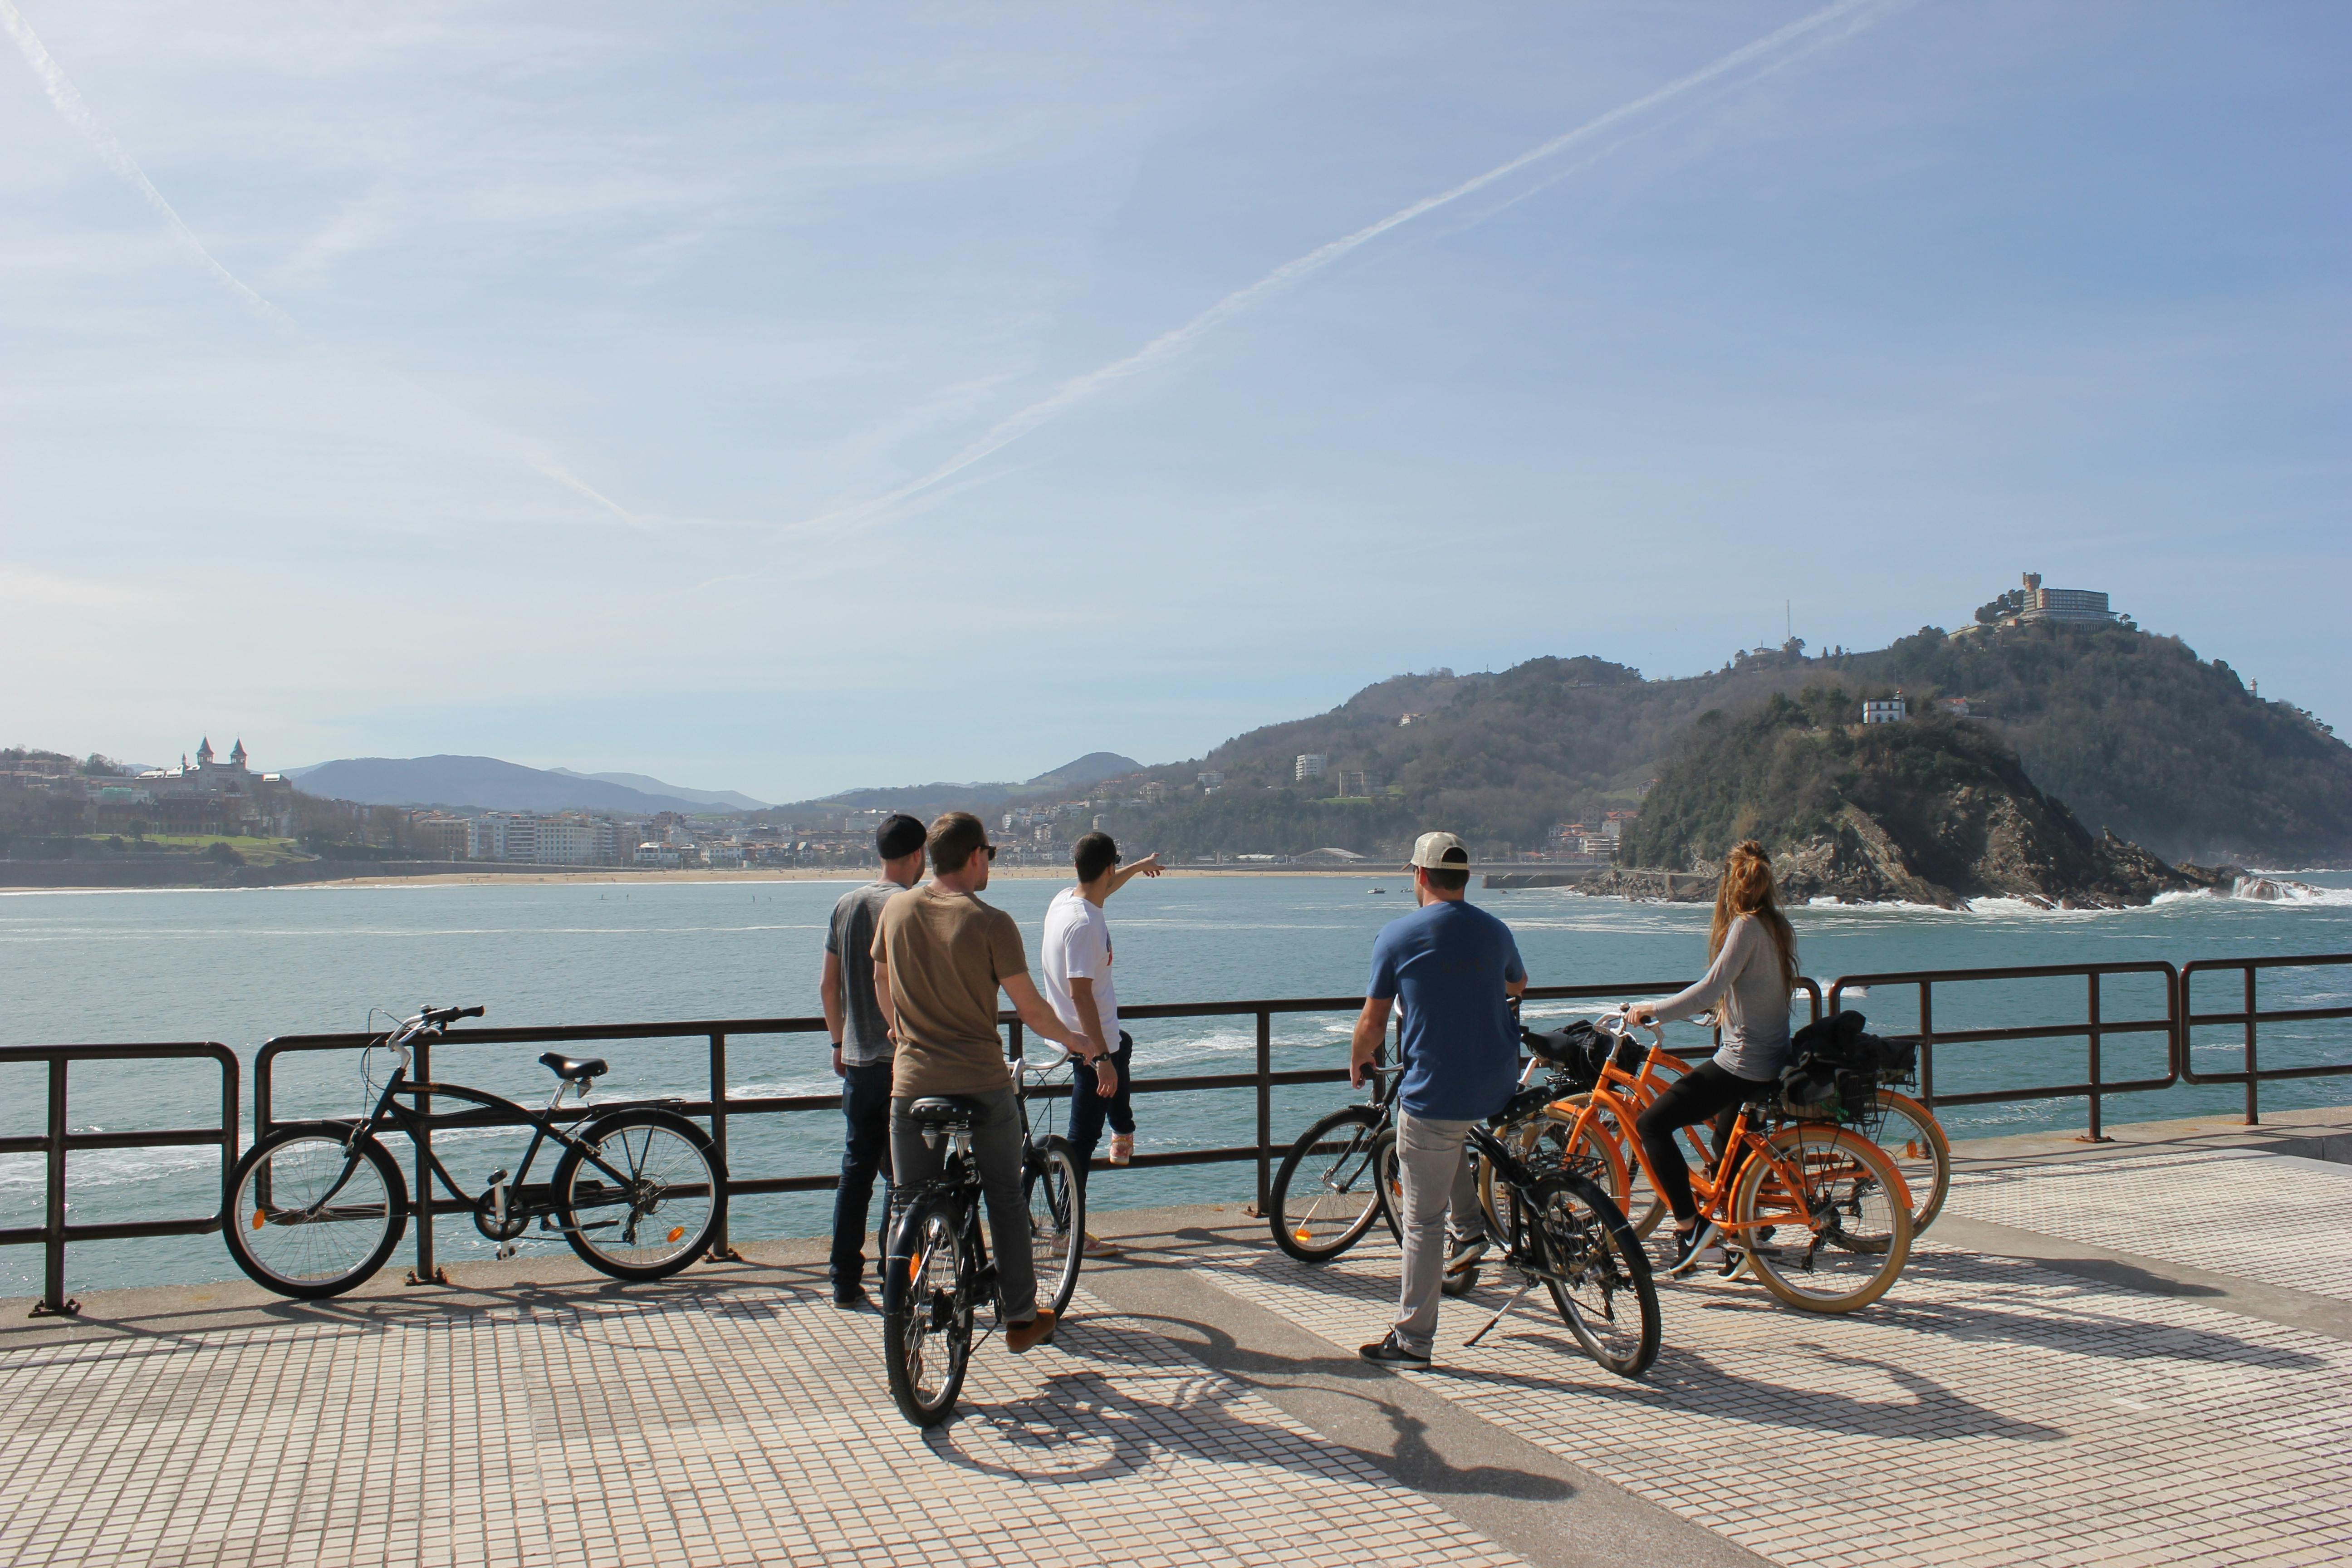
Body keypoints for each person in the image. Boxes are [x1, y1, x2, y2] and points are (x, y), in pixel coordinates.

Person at [870, 811, 1112, 1353]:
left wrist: (898, 1028)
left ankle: (901, 1306)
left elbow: (880, 978)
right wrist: (1083, 1044)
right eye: (990, 855)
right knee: (1005, 1192)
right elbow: (1032, 1011)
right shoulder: (991, 922)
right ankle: (1022, 1317)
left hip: (910, 1083)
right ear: (975, 856)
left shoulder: (897, 908)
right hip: (979, 1081)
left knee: (908, 1201)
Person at [1349, 831, 1527, 1369]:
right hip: (1497, 1081)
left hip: (1436, 1090)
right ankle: (1473, 1230)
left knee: (1424, 1221)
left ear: (1420, 876)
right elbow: (1518, 986)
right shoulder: (1495, 930)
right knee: (1453, 1140)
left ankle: (1413, 1341)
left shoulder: (1398, 936)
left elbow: (1373, 1022)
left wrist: (1359, 1059)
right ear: (1465, 878)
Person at [1628, 840, 1798, 1274]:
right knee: (1726, 1146)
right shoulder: (1777, 926)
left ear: (1730, 886)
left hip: (1744, 1063)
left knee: (1652, 1124)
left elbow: (1708, 989)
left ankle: (1690, 1228)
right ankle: (1748, 1234)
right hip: (1772, 1054)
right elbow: (1748, 989)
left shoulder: (1745, 927)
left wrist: (1652, 1009)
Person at [818, 812, 927, 1308]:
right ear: (916, 855)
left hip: (859, 1062)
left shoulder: (847, 903)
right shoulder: (911, 905)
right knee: (903, 1175)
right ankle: (895, 1273)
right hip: (902, 1061)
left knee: (855, 1171)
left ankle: (843, 1280)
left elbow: (828, 984)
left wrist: (839, 1043)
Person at [1038, 832, 1161, 1254]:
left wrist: (1139, 866)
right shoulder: (1085, 924)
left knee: (1124, 1045)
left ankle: (1122, 1129)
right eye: (1116, 868)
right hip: (1090, 1044)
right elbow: (1080, 993)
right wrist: (1100, 1057)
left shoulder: (1064, 902)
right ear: (1107, 867)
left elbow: (1107, 884)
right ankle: (1067, 1234)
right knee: (1079, 1140)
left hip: (1090, 1037)